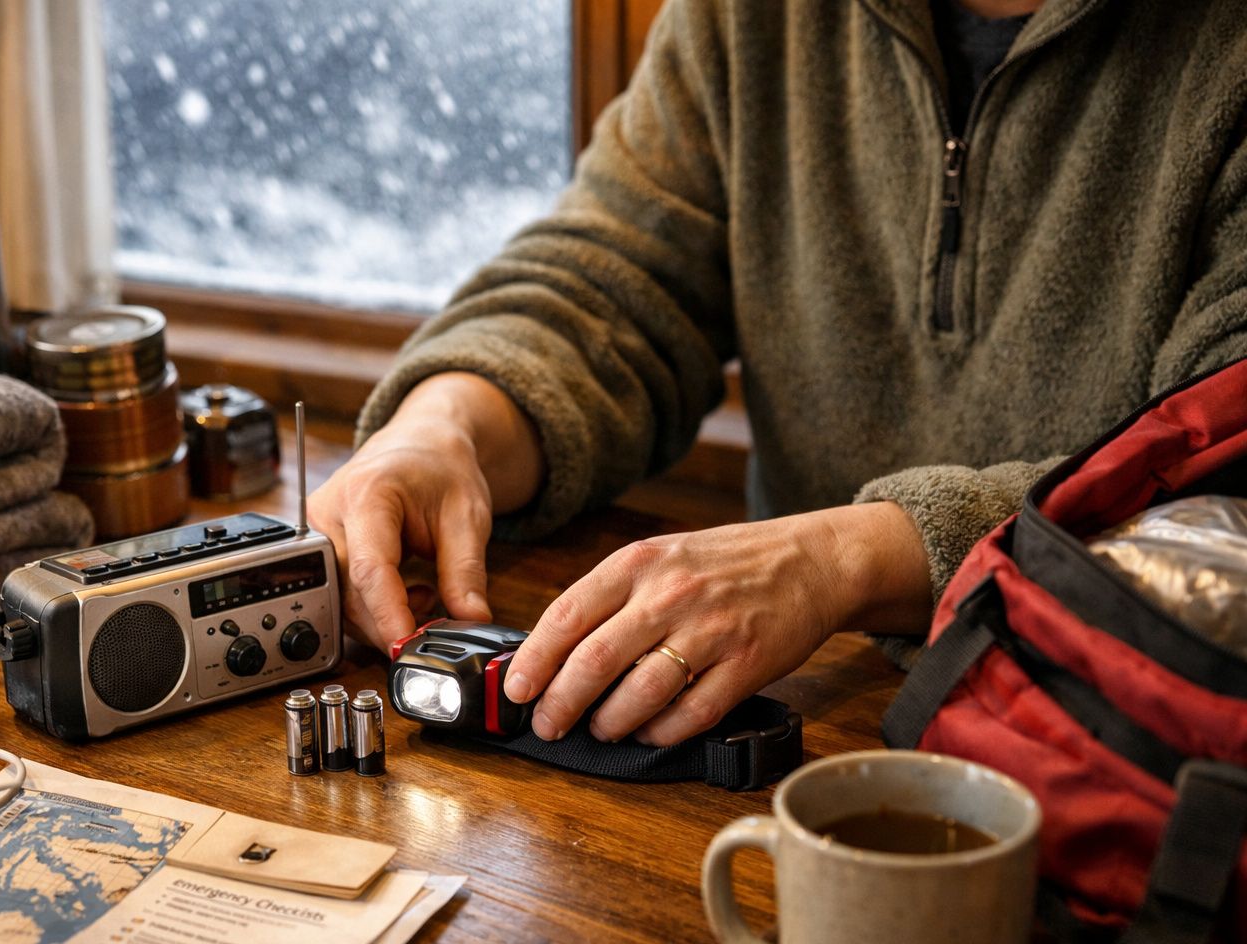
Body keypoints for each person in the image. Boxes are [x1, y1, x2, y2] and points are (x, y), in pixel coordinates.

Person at [309, 0, 1247, 747]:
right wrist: (448, 424)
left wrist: (840, 562)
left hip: (1128, 742)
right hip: (802, 706)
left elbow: (1217, 483)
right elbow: (620, 273)